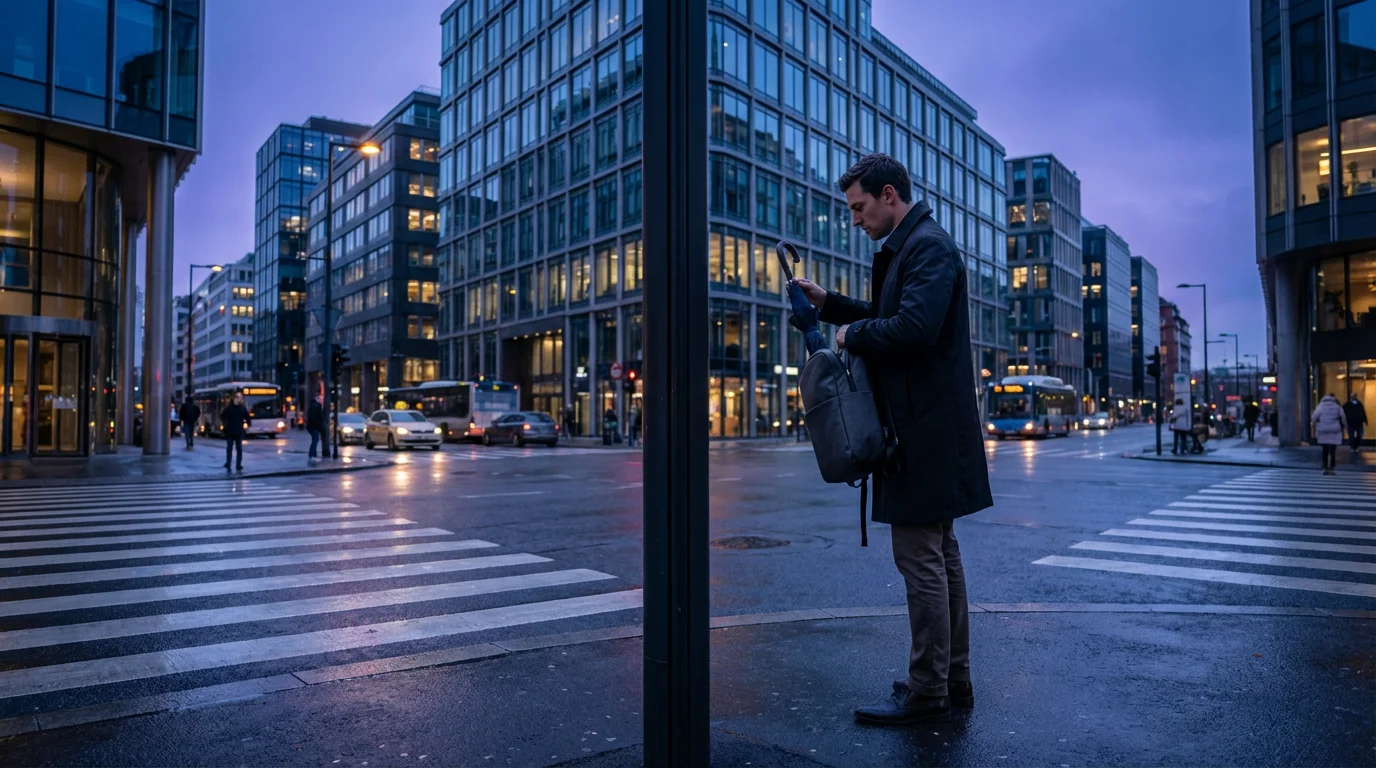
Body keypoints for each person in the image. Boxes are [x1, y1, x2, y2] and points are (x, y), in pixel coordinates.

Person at [790, 154, 991, 726]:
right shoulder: (916, 246)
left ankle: (929, 689)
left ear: (887, 195)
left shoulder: (927, 247)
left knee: (920, 559)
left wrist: (851, 332)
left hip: (922, 431)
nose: (855, 220)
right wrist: (829, 305)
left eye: (858, 208)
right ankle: (951, 679)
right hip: (929, 428)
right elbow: (891, 313)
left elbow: (914, 328)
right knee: (940, 557)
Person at [1311, 392, 1347, 476]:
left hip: (1323, 429)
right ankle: (1332, 466)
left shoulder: (1320, 406)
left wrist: (1317, 423)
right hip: (1335, 429)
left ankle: (1324, 465)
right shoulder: (1337, 406)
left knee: (1325, 449)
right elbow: (1343, 417)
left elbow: (1314, 417)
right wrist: (1345, 426)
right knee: (1333, 449)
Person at [221, 393, 251, 472]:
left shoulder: (241, 408)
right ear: (234, 399)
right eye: (237, 398)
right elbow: (223, 416)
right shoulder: (230, 408)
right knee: (230, 449)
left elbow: (247, 417)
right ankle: (229, 463)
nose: (239, 399)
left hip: (237, 431)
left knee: (238, 449)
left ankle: (238, 465)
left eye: (240, 398)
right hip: (231, 431)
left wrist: (247, 424)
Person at [306, 394, 326, 460]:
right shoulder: (316, 406)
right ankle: (312, 454)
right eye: (320, 399)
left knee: (314, 440)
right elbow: (315, 418)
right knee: (315, 440)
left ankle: (313, 454)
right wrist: (318, 426)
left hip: (312, 426)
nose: (321, 400)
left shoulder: (313, 406)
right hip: (314, 427)